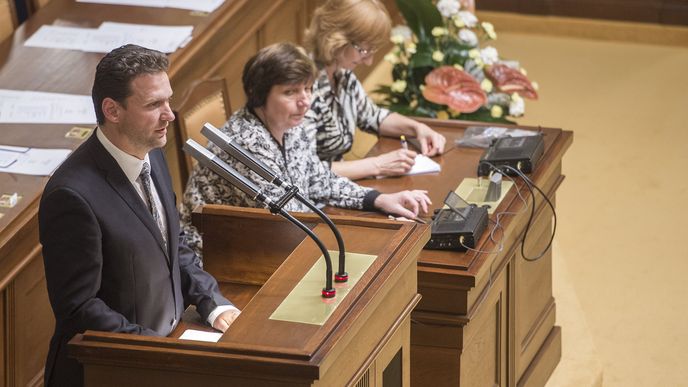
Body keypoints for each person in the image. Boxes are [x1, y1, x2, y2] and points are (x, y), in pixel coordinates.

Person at [38, 44, 240, 387]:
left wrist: (211, 302)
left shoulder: (151, 153)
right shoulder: (71, 196)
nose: (170, 115)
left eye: (168, 99)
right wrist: (153, 350)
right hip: (111, 371)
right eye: (153, 105)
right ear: (112, 110)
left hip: (162, 354)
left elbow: (173, 246)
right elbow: (79, 308)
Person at [180, 42, 431, 256]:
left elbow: (316, 178)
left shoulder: (290, 123)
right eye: (290, 92)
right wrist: (374, 234)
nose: (305, 102)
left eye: (308, 89)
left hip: (273, 242)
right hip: (221, 259)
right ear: (259, 95)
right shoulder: (247, 143)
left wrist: (378, 199)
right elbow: (290, 221)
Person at [304, 0, 447, 180]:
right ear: (337, 38)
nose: (369, 61)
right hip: (309, 201)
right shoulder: (302, 86)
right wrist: (377, 165)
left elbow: (374, 117)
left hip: (338, 190)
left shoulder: (343, 76)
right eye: (364, 50)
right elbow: (306, 171)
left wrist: (418, 129)